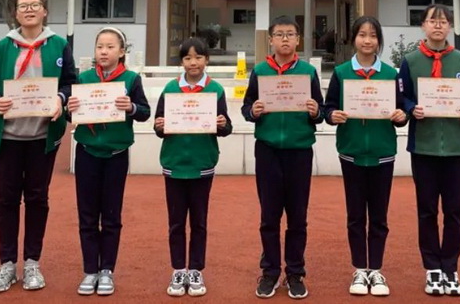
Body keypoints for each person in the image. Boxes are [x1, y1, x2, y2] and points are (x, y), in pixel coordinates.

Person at [0, 0, 77, 293]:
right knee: (7, 200)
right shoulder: (3, 46)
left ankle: (32, 261)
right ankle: (7, 264)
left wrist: (61, 98)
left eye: (35, 5)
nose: (29, 10)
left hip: (42, 137)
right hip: (8, 136)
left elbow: (70, 81)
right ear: (16, 13)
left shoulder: (59, 45)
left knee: (37, 198)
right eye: (23, 6)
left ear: (45, 11)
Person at [398, 4, 460, 297]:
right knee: (427, 210)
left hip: (456, 147)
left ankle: (451, 267)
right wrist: (412, 108)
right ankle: (432, 267)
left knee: (455, 212)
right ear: (423, 25)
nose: (438, 26)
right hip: (424, 146)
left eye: (443, 21)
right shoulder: (410, 61)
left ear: (449, 27)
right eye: (432, 21)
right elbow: (402, 96)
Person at [241, 15, 324, 299]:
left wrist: (316, 111)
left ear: (298, 39)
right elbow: (247, 106)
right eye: (279, 34)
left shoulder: (308, 72)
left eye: (290, 34)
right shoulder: (260, 71)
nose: (285, 39)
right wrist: (253, 111)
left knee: (298, 217)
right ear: (271, 40)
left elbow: (321, 111)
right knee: (269, 216)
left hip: (299, 151)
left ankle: (295, 272)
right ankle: (270, 271)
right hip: (268, 151)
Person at [324, 16, 407, 296]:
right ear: (353, 39)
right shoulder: (341, 73)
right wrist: (332, 116)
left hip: (383, 153)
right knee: (356, 215)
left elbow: (401, 109)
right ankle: (360, 269)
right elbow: (329, 107)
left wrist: (401, 116)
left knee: (380, 217)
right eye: (362, 34)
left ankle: (377, 270)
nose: (367, 40)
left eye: (372, 35)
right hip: (352, 153)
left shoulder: (391, 74)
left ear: (379, 41)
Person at [68, 27, 150, 296]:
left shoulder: (131, 79)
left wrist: (131, 107)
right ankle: (90, 270)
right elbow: (72, 115)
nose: (103, 52)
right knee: (87, 215)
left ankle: (107, 270)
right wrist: (70, 109)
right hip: (87, 153)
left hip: (116, 155)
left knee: (112, 215)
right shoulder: (84, 78)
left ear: (122, 51)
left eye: (110, 47)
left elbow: (144, 112)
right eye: (99, 46)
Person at [154, 37, 232, 297]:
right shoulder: (170, 88)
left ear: (206, 59)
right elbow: (159, 125)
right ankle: (178, 269)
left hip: (202, 164)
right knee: (176, 222)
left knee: (199, 221)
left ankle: (196, 269)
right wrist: (159, 126)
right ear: (181, 62)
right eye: (187, 58)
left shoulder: (215, 89)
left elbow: (226, 127)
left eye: (198, 57)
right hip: (174, 164)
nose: (193, 63)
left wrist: (222, 124)